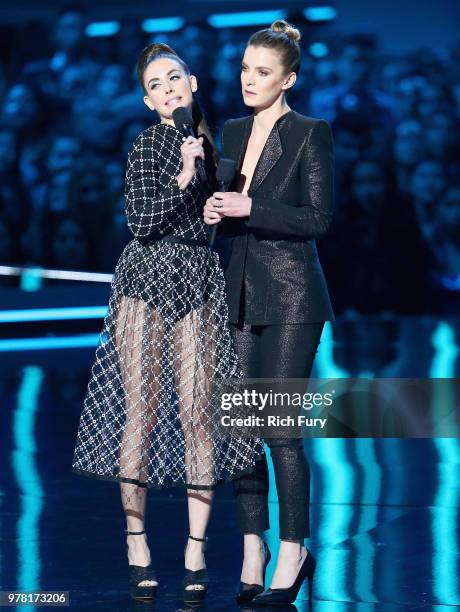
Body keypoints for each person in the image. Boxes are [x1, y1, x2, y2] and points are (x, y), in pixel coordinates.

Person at [71, 43, 264, 604]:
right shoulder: (148, 143)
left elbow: (222, 220)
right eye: (156, 84)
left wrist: (215, 211)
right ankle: (137, 542)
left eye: (174, 77)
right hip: (146, 280)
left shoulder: (216, 145)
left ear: (194, 82)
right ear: (147, 98)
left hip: (199, 277)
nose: (168, 88)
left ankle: (195, 547)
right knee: (142, 412)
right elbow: (142, 220)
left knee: (200, 414)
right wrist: (183, 176)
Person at [204, 20, 335, 605]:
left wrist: (251, 205)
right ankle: (252, 545)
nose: (249, 80)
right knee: (239, 432)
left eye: (262, 72)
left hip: (290, 297)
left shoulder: (310, 132)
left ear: (289, 79)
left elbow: (317, 219)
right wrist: (208, 206)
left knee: (280, 432)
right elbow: (222, 208)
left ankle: (294, 549)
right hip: (235, 293)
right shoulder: (228, 131)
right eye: (244, 68)